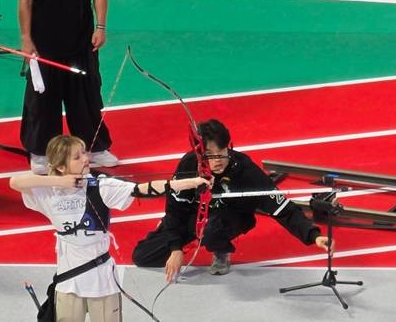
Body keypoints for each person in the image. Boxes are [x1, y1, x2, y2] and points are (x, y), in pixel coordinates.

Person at [10, 134, 208, 322]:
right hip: (68, 286)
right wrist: (60, 183)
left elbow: (145, 189)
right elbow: (15, 182)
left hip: (103, 284)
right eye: (77, 157)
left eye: (85, 153)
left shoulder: (101, 186)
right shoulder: (48, 193)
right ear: (61, 166)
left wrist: (189, 183)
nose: (86, 159)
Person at [132, 118, 332, 279]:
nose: (218, 161)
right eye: (210, 155)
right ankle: (189, 237)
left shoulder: (246, 171)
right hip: (195, 215)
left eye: (222, 153)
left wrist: (313, 236)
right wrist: (176, 248)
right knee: (143, 257)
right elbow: (175, 208)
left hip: (229, 217)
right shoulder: (188, 164)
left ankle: (222, 250)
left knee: (212, 232)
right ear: (199, 153)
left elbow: (282, 209)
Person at [15, 0, 116, 173]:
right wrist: (26, 38)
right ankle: (41, 152)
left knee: (86, 99)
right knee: (42, 100)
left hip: (81, 42)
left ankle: (94, 147)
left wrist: (101, 26)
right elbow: (25, 0)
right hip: (43, 45)